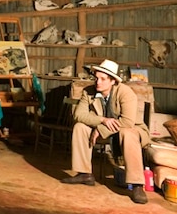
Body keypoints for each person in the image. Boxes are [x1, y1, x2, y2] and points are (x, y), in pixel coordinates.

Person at [60, 59, 151, 204]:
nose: (98, 82)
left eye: (103, 79)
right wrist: (102, 120)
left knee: (127, 133)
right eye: (96, 78)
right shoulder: (88, 92)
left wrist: (100, 130)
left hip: (131, 130)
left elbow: (127, 122)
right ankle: (84, 174)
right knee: (80, 127)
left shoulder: (125, 93)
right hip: (105, 126)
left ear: (113, 81)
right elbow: (79, 114)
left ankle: (137, 185)